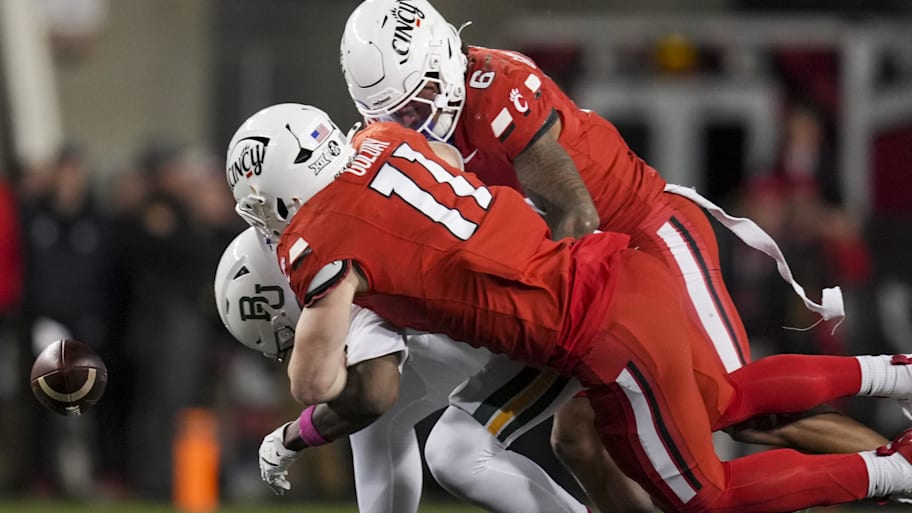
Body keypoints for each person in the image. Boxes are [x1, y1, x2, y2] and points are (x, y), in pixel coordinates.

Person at [225, 102, 912, 513]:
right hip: (614, 267)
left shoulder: (328, 247)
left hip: (589, 329)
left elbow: (338, 389)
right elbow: (444, 167)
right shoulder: (384, 140)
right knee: (727, 398)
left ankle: (896, 471)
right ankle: (896, 372)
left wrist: (293, 431)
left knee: (705, 496)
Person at [338, 2, 885, 509]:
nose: (414, 121)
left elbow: (576, 213)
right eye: (395, 113)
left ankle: (898, 470)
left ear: (443, 59)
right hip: (593, 275)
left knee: (737, 408)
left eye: (420, 99)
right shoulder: (398, 136)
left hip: (648, 237)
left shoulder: (498, 90)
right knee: (578, 439)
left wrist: (541, 321)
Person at [214, 227, 591, 513]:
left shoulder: (348, 285)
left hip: (564, 319)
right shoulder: (349, 243)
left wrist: (289, 438)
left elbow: (369, 398)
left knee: (455, 454)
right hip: (547, 304)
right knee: (381, 422)